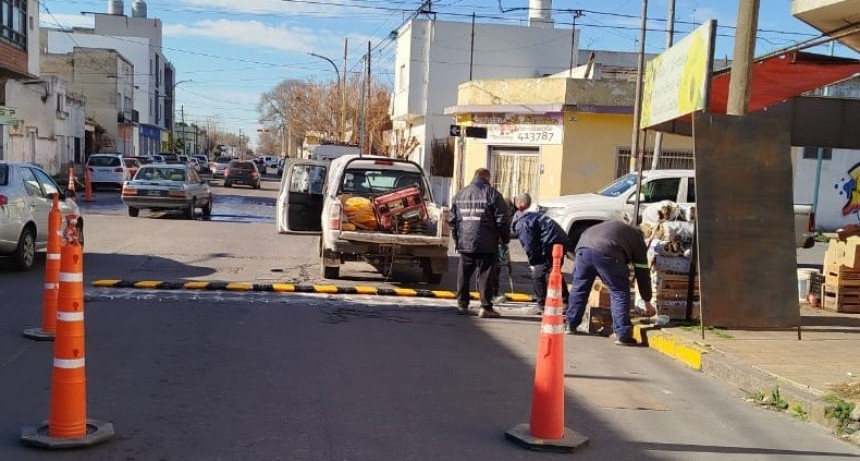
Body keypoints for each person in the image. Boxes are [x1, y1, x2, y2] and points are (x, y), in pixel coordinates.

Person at [564, 220, 655, 346]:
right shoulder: (637, 238)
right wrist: (647, 300)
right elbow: (642, 272)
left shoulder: (617, 228)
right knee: (619, 291)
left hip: (583, 249)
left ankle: (570, 324)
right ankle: (623, 334)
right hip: (606, 251)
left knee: (579, 288)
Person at [449, 168, 510, 318]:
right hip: (486, 242)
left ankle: (462, 305)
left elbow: (452, 220)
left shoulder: (460, 194)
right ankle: (485, 307)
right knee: (486, 275)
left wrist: (458, 239)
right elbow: (502, 219)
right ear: (487, 178)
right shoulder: (492, 194)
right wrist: (504, 239)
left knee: (463, 274)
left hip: (465, 242)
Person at [510, 193, 570, 314]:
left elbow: (530, 245)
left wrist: (534, 261)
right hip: (559, 240)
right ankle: (566, 302)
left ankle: (542, 304)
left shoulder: (522, 223)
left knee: (539, 273)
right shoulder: (531, 216)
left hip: (551, 243)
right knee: (553, 271)